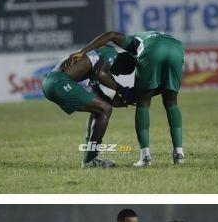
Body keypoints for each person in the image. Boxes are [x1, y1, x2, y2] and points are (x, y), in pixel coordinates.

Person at [71, 30, 185, 167]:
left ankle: (145, 156)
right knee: (171, 102)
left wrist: (83, 51)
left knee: (143, 103)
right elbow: (160, 88)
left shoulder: (131, 41)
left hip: (152, 48)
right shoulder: (147, 37)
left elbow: (110, 35)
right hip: (177, 48)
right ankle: (179, 153)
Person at [40, 45, 132, 168]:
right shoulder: (111, 53)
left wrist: (115, 99)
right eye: (121, 71)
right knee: (105, 109)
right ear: (120, 62)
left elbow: (97, 88)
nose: (117, 74)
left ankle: (91, 158)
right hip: (60, 82)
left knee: (100, 109)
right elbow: (102, 74)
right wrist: (122, 91)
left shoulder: (94, 59)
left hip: (49, 82)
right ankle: (90, 160)